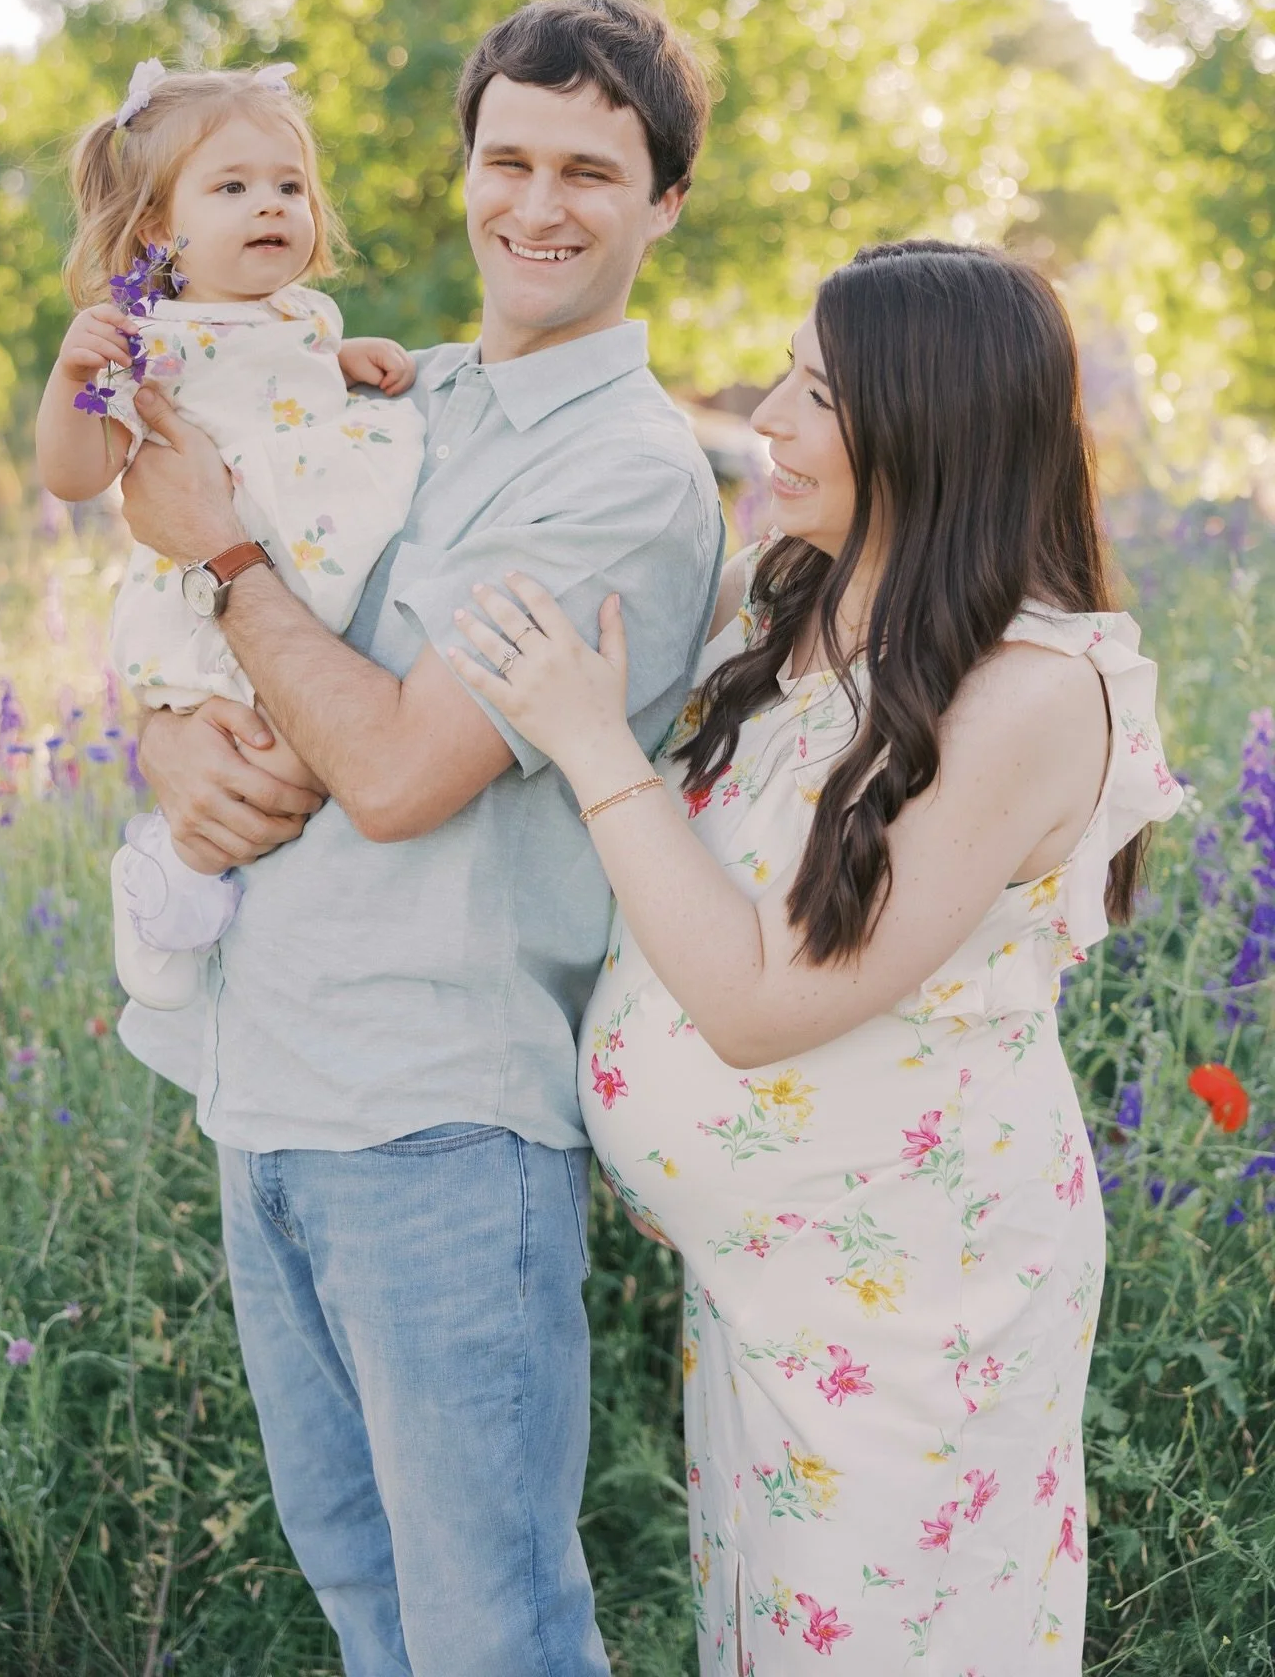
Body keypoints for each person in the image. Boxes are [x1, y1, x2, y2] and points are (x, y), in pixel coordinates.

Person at [448, 240, 1183, 1673]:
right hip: (775, 1288)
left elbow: (762, 1007)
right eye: (784, 377)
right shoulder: (796, 597)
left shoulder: (1031, 690)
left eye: (818, 394)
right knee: (774, 1636)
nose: (770, 420)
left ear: (936, 421)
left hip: (919, 1310)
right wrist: (388, 390)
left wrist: (596, 739)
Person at [117, 0, 725, 1676]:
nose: (537, 204)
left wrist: (233, 565)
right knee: (370, 1615)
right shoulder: (368, 388)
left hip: (443, 1134)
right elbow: (162, 594)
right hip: (269, 1095)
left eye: (591, 171)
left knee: (489, 1639)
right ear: (462, 169)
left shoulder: (623, 476)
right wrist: (166, 742)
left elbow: (389, 771)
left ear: (665, 201)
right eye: (507, 158)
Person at [36, 60, 422, 1017]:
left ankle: (200, 888)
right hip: (223, 597)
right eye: (234, 187)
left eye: (290, 186)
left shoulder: (304, 316)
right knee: (255, 748)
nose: (272, 206)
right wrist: (68, 379)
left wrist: (342, 360)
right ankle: (166, 878)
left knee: (305, 737)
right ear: (164, 229)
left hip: (305, 577)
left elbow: (281, 375)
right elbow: (77, 474)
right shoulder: (146, 338)